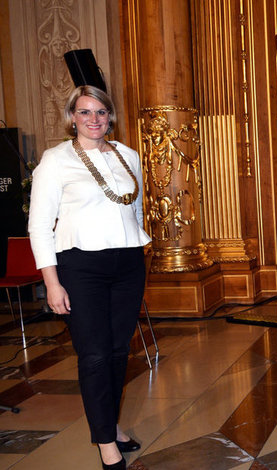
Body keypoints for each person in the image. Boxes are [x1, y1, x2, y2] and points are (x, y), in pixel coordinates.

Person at [28, 86, 151, 470]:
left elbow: (137, 209)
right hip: (80, 267)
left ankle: (110, 425)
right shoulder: (56, 160)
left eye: (101, 112)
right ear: (72, 117)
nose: (94, 120)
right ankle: (105, 443)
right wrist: (52, 282)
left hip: (128, 264)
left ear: (110, 116)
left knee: (117, 352)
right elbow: (38, 225)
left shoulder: (127, 155)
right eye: (85, 113)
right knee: (95, 355)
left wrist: (136, 247)